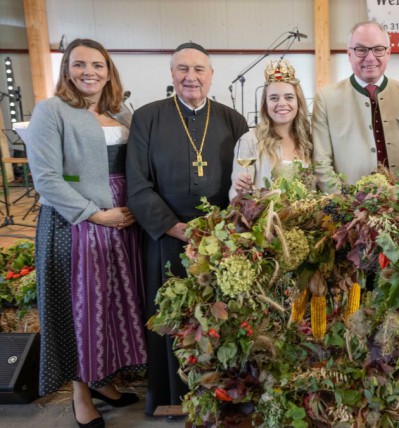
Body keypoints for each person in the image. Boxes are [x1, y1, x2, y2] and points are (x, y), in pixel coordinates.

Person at [26, 38, 146, 428]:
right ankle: (81, 392)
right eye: (79, 64)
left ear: (109, 71)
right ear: (67, 70)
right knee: (79, 306)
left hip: (122, 222)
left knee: (108, 304)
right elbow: (45, 179)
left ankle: (104, 381)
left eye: (97, 65)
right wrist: (96, 214)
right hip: (76, 223)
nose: (89, 72)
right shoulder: (51, 111)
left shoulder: (121, 112)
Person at [126, 42, 248, 416]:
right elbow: (137, 183)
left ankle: (224, 397)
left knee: (220, 319)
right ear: (172, 74)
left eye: (199, 69)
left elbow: (246, 179)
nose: (190, 77)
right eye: (183, 69)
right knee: (173, 320)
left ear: (212, 76)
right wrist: (174, 228)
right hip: (166, 237)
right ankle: (172, 399)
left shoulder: (232, 120)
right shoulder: (147, 117)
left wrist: (224, 229)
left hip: (220, 239)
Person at [312, 21, 399, 191]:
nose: (370, 58)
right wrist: (343, 205)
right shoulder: (326, 98)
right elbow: (321, 162)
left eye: (378, 49)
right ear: (349, 54)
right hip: (349, 208)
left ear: (388, 53)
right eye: (361, 50)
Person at [230, 59, 311, 198]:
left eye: (289, 97)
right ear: (265, 104)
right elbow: (236, 194)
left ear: (298, 102)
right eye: (274, 98)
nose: (282, 103)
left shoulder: (309, 140)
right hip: (266, 217)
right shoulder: (249, 140)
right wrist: (239, 188)